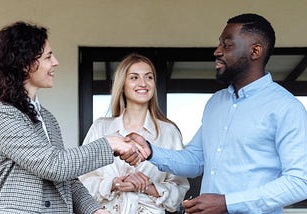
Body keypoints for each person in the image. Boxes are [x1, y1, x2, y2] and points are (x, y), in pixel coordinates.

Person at [129, 13, 307, 213]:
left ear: (255, 51)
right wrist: (151, 151)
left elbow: (300, 181)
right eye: (219, 44)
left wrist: (227, 203)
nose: (217, 51)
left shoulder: (286, 108)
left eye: (227, 45)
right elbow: (196, 160)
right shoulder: (216, 103)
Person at [0, 21, 146, 214]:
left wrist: (95, 210)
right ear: (25, 64)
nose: (55, 62)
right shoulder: (0, 115)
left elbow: (65, 179)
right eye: (48, 57)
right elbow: (53, 165)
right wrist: (110, 143)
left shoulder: (47, 118)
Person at [79, 53, 189, 214]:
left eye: (149, 77)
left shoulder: (169, 132)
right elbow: (82, 183)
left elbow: (180, 188)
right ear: (122, 84)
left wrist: (147, 187)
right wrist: (115, 183)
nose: (143, 83)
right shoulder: (100, 128)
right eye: (134, 77)